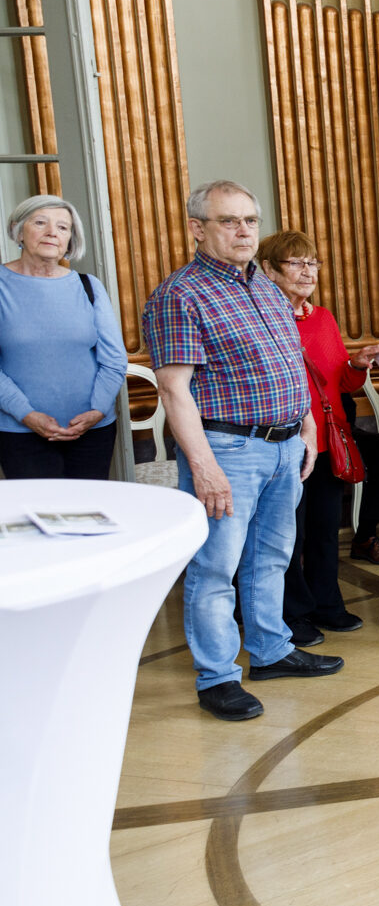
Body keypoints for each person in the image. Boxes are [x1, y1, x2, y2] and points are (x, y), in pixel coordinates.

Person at [142, 180, 342, 722]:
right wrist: (204, 468)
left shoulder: (265, 285)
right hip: (227, 449)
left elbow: (289, 362)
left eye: (250, 220)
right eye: (228, 221)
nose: (243, 231)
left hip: (283, 446)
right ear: (197, 229)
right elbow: (175, 392)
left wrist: (306, 427)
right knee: (215, 568)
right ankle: (217, 677)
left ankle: (272, 650)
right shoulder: (179, 295)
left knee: (271, 558)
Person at [256, 231, 379, 647]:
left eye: (312, 263)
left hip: (326, 441)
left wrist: (357, 365)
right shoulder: (265, 318)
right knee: (289, 538)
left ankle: (326, 604)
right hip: (286, 444)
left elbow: (340, 384)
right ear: (268, 269)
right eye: (296, 263)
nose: (307, 272)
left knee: (322, 531)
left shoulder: (323, 319)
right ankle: (293, 614)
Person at [0, 195, 127, 479]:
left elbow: (114, 359)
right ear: (19, 231)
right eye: (40, 223)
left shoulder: (88, 285)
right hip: (20, 433)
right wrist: (27, 415)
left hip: (93, 432)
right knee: (40, 517)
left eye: (62, 228)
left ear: (70, 240)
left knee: (90, 516)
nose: (51, 233)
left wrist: (96, 411)